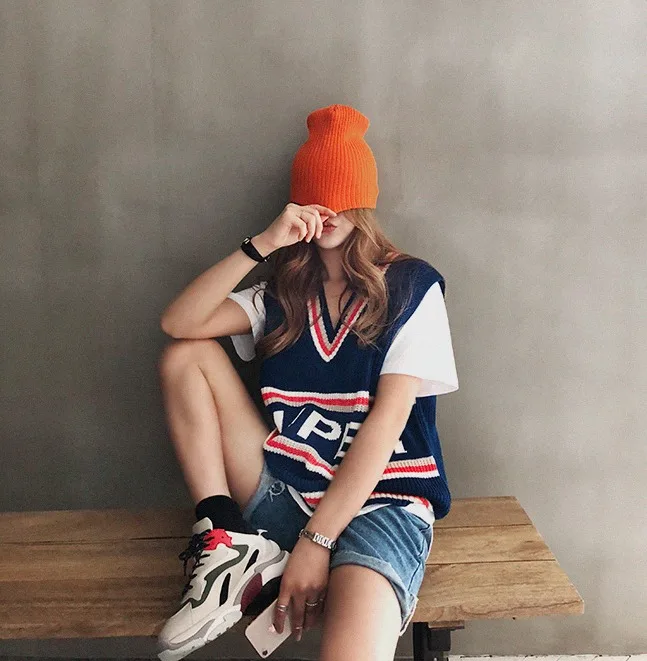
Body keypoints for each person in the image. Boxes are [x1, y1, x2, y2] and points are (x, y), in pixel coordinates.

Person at [156, 104, 459, 661]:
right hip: (286, 488)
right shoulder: (283, 292)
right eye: (316, 196)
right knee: (185, 356)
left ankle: (312, 553)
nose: (329, 210)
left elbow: (387, 424)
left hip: (382, 503)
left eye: (342, 195)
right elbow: (180, 324)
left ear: (363, 201)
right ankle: (226, 539)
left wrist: (317, 543)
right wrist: (263, 244)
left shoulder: (412, 287)